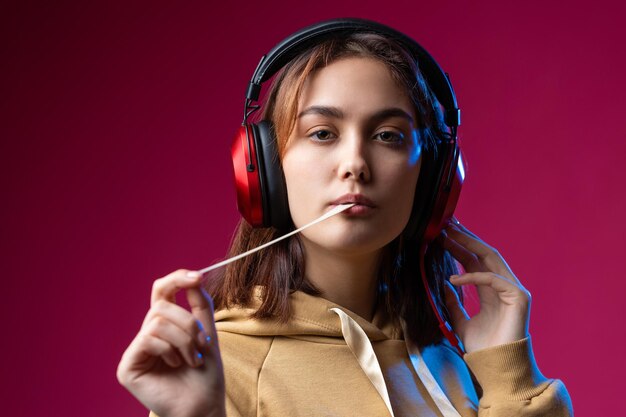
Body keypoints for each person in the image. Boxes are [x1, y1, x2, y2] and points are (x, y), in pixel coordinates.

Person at [117, 19, 573, 417]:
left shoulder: (462, 366)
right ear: (266, 169)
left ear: (433, 178)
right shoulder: (217, 366)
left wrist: (509, 374)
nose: (355, 162)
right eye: (322, 133)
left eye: (388, 135)